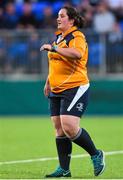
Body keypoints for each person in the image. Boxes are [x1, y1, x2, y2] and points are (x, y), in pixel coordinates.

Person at [40, 6, 105, 178]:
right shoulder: (59, 37)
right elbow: (56, 63)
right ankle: (64, 169)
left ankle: (96, 154)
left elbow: (76, 54)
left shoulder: (77, 36)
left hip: (75, 86)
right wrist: (48, 80)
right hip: (56, 87)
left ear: (72, 20)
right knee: (59, 129)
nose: (58, 18)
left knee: (69, 127)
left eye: (62, 16)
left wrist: (53, 48)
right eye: (57, 16)